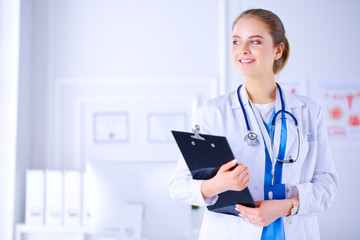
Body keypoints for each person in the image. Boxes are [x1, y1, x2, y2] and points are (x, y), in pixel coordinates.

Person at [169, 8, 338, 240]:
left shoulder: (308, 111)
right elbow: (178, 186)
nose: (243, 50)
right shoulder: (213, 112)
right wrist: (216, 184)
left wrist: (287, 206)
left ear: (278, 49)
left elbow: (327, 186)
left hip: (293, 231)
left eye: (255, 41)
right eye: (236, 41)